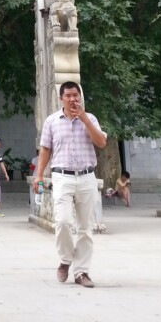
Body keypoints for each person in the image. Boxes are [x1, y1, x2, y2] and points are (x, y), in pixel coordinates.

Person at [33, 81, 107, 288]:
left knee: (85, 228)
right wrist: (39, 175)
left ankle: (82, 271)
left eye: (77, 95)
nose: (73, 99)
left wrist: (84, 119)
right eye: (69, 96)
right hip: (62, 176)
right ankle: (66, 259)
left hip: (86, 176)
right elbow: (45, 149)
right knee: (63, 221)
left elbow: (101, 142)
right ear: (61, 98)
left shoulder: (90, 118)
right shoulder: (52, 121)